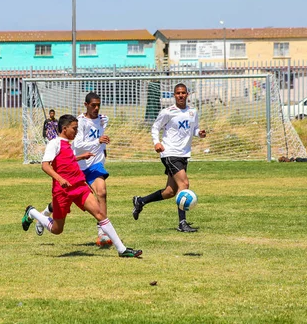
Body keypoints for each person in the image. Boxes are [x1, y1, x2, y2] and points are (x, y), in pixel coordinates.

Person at [21, 114, 142, 258]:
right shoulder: (55, 143)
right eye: (74, 128)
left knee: (100, 214)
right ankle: (32, 212)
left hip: (79, 186)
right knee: (56, 229)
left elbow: (67, 160)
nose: (77, 131)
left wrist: (80, 157)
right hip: (62, 191)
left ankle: (122, 250)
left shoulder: (68, 145)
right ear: (64, 129)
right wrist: (59, 179)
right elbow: (45, 166)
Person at [35, 93, 113, 247]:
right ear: (86, 105)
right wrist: (97, 141)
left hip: (94, 164)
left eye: (98, 105)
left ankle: (102, 233)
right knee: (64, 200)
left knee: (102, 192)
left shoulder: (103, 119)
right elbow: (77, 145)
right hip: (77, 167)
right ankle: (44, 214)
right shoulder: (79, 122)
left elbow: (99, 135)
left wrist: (102, 148)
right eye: (93, 105)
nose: (96, 108)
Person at [132, 83, 207, 232]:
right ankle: (182, 223)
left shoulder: (193, 112)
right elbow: (155, 127)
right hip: (170, 153)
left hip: (183, 154)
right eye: (178, 93)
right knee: (184, 184)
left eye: (183, 93)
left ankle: (140, 201)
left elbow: (194, 129)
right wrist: (157, 142)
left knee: (170, 192)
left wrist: (199, 133)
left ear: (187, 94)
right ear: (174, 95)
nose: (181, 95)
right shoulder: (168, 112)